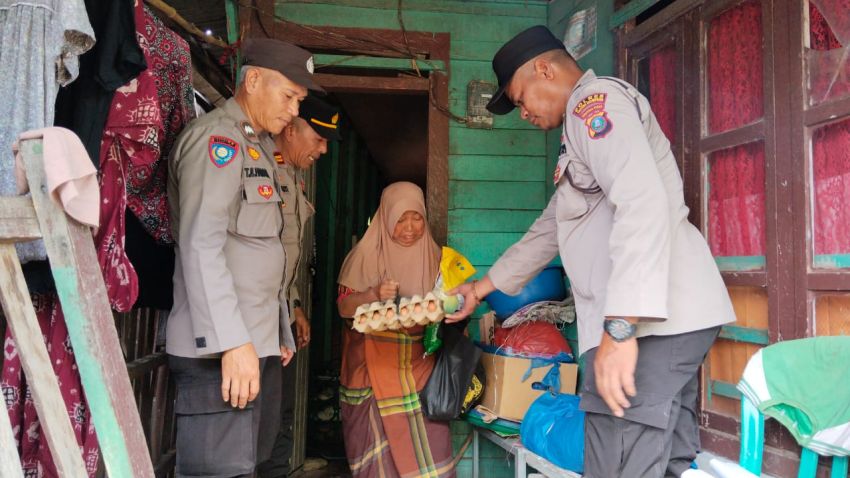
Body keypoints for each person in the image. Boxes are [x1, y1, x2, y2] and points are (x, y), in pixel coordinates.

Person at [446, 26, 735, 478]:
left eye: (521, 98)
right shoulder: (577, 132)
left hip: (652, 322)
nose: (522, 113)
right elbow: (550, 228)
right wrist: (481, 288)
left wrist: (620, 329)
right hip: (666, 317)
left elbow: (642, 202)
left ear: (544, 69)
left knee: (617, 461)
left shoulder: (591, 105)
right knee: (664, 460)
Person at [165, 38, 323, 477]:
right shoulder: (217, 141)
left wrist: (275, 336)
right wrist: (233, 342)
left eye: (300, 100)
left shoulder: (258, 147)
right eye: (290, 96)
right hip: (219, 351)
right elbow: (202, 245)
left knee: (251, 466)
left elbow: (260, 252)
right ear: (253, 80)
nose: (294, 110)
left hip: (254, 346)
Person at [336, 182, 456, 478]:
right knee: (379, 463)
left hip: (420, 372)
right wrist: (373, 295)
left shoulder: (438, 258)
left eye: (416, 217)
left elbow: (450, 306)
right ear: (386, 218)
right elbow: (343, 308)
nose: (410, 227)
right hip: (370, 371)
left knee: (430, 451)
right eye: (400, 219)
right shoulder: (363, 257)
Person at [257, 95, 342, 477]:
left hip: (280, 315)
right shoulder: (260, 167)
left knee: (279, 410)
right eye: (319, 139)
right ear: (290, 128)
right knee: (256, 416)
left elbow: (283, 252)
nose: (323, 150)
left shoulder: (292, 174)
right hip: (255, 318)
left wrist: (293, 306)